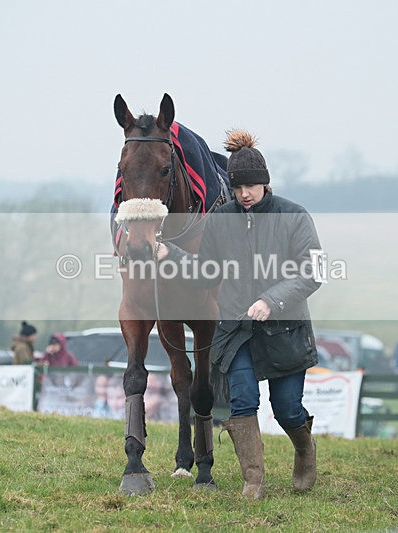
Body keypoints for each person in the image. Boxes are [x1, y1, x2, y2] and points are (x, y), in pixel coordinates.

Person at [156, 129, 322, 498]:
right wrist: (174, 257)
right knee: (243, 401)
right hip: (236, 332)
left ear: (265, 183)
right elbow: (206, 272)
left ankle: (304, 449)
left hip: (283, 330)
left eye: (251, 186)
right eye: (238, 187)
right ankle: (253, 480)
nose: (245, 194)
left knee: (287, 409)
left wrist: (271, 300)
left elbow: (313, 272)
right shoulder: (221, 219)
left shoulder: (294, 216)